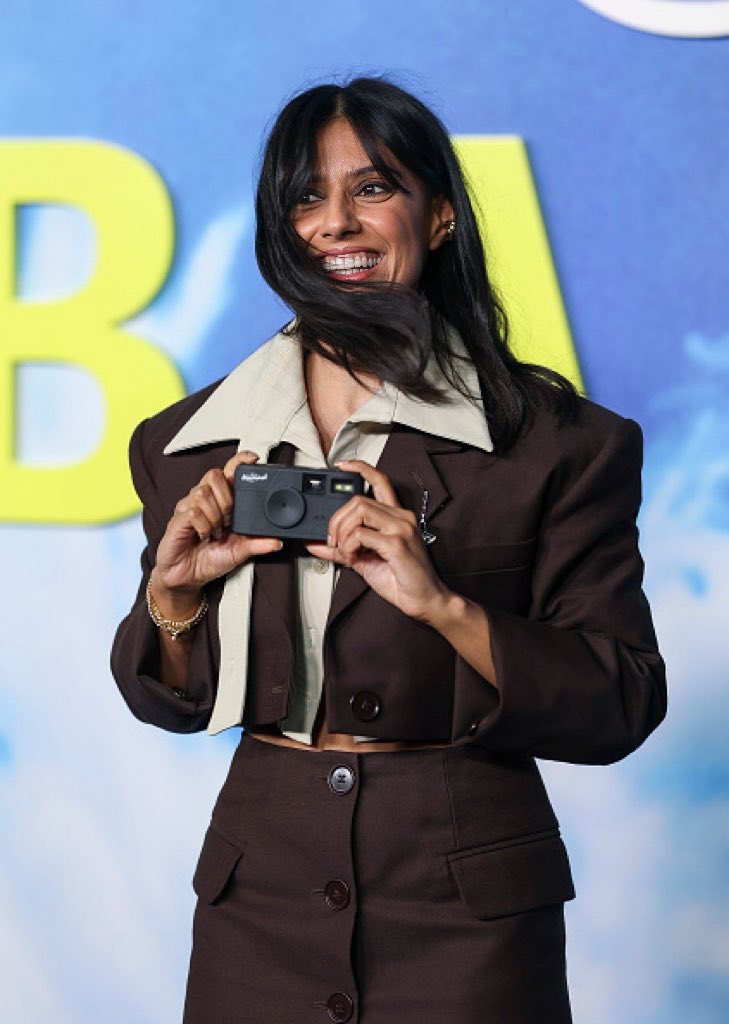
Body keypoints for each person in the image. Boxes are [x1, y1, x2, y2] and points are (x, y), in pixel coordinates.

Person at [111, 77, 666, 1024]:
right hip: (260, 901)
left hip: (468, 910)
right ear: (280, 229)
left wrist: (442, 605)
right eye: (306, 197)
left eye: (372, 188)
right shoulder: (186, 443)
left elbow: (619, 699)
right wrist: (173, 604)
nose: (336, 222)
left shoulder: (560, 443)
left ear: (439, 214)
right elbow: (172, 700)